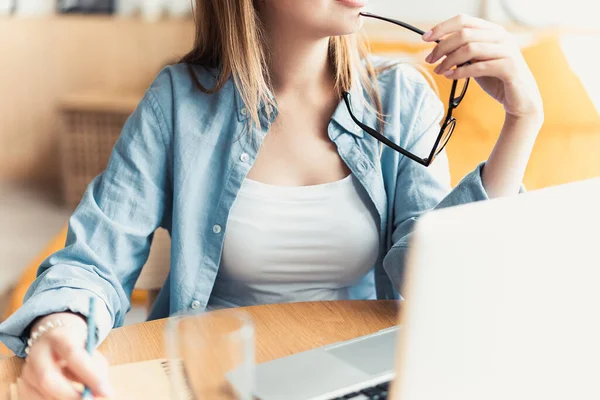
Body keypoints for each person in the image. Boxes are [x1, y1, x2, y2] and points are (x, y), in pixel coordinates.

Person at [0, 0, 543, 398]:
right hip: (209, 376)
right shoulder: (177, 102)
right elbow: (95, 258)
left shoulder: (401, 100)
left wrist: (522, 122)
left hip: (353, 380)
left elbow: (434, 282)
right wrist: (58, 327)